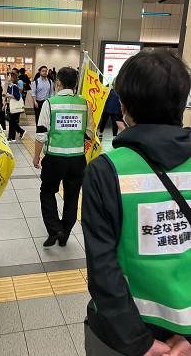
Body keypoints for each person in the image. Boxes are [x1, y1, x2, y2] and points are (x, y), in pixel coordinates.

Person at [82, 50, 191, 356]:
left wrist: (137, 342)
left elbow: (102, 269)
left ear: (125, 107)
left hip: (126, 333)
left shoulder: (105, 171)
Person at [33, 67, 94, 247]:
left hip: (54, 159)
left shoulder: (50, 103)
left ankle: (55, 229)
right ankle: (65, 232)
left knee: (47, 191)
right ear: (76, 84)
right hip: (77, 160)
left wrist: (36, 156)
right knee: (72, 195)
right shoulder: (85, 104)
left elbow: (41, 135)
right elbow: (89, 133)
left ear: (58, 83)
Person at [3, 72, 26, 143]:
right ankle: (20, 132)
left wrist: (8, 96)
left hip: (14, 106)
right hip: (10, 105)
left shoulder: (14, 86)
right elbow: (9, 96)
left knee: (12, 122)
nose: (8, 77)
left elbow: (18, 97)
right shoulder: (9, 86)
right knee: (12, 121)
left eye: (9, 76)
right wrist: (5, 104)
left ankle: (11, 137)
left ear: (12, 78)